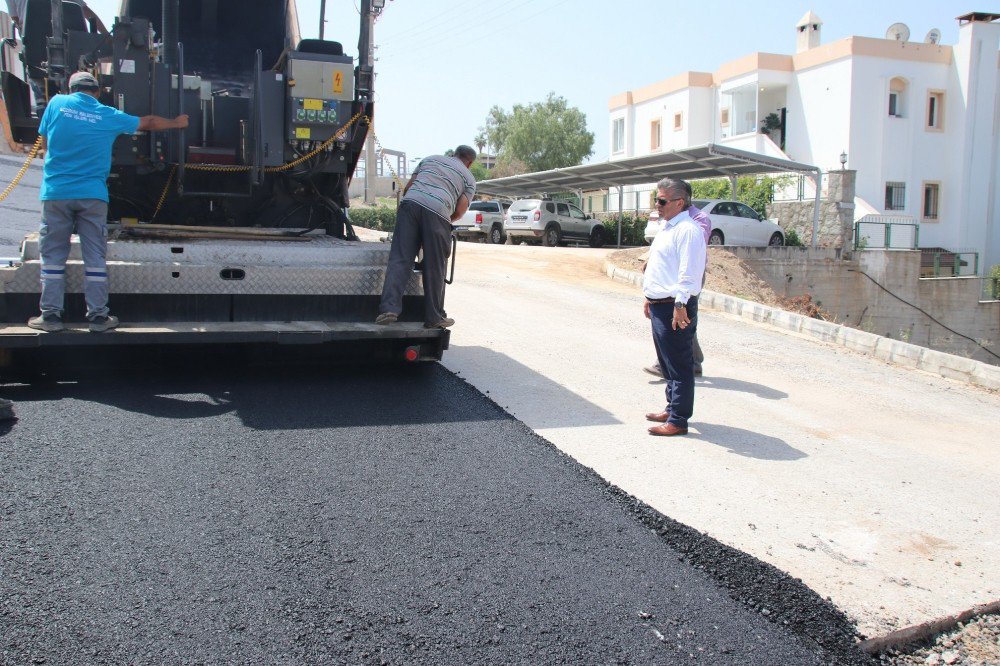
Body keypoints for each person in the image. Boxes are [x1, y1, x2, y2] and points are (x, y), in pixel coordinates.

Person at [27, 71, 188, 333]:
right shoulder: (107, 115)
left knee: (53, 257)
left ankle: (51, 317)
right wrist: (177, 123)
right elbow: (147, 123)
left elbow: (45, 140)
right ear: (98, 91)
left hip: (56, 193)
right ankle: (98, 317)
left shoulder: (56, 103)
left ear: (71, 89)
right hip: (92, 195)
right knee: (94, 257)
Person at [375, 145, 476, 329]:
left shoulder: (430, 159)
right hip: (438, 212)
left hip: (410, 204)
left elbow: (410, 187)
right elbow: (460, 210)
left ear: (453, 154)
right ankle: (433, 317)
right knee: (435, 266)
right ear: (469, 163)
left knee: (400, 259)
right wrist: (445, 221)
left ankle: (388, 309)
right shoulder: (468, 177)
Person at [643, 178, 707, 437]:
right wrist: (649, 297)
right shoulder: (668, 227)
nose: (657, 205)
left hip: (675, 307)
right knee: (667, 362)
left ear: (679, 202)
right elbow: (661, 267)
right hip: (660, 305)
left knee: (680, 364)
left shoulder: (688, 230)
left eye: (661, 201)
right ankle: (671, 407)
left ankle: (679, 420)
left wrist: (680, 304)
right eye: (656, 200)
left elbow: (688, 273)